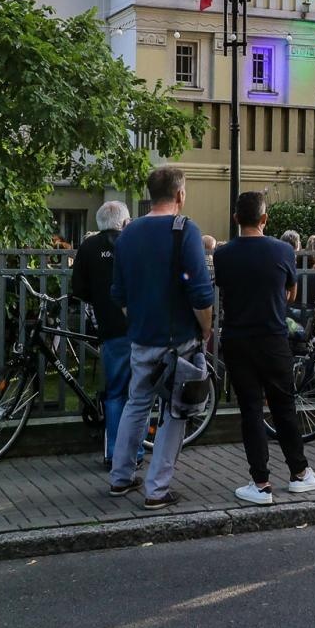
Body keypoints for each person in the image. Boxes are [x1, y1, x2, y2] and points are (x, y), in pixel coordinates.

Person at [106, 166, 214, 510]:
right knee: (176, 411)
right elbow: (200, 293)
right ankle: (157, 488)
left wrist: (139, 320)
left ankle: (120, 477)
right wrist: (206, 329)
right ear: (180, 195)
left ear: (150, 194)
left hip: (141, 338)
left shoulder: (127, 234)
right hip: (178, 339)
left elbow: (119, 295)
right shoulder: (186, 231)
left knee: (136, 403)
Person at [214, 191, 315, 506]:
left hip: (237, 338)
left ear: (237, 219)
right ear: (264, 219)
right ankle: (300, 473)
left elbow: (224, 288)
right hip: (273, 337)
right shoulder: (282, 251)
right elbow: (289, 293)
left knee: (250, 409)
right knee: (284, 406)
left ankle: (260, 482)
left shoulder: (223, 255)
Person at [71, 201, 130, 469]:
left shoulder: (88, 247)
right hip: (139, 328)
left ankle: (113, 453)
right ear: (125, 222)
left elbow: (79, 290)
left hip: (109, 329)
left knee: (115, 393)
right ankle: (134, 454)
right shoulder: (134, 245)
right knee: (138, 396)